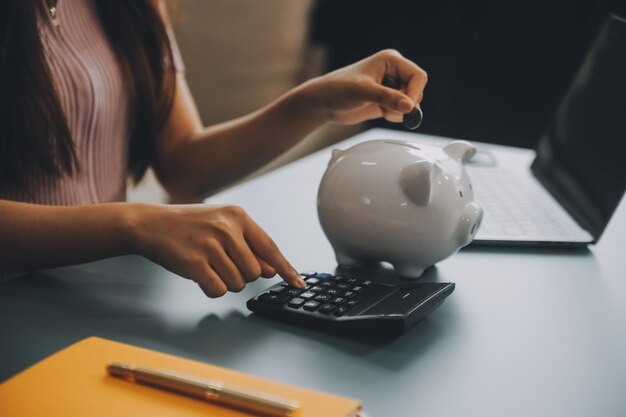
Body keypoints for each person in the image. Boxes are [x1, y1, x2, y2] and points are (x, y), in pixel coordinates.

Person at [0, 0, 427, 297]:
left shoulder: (131, 6)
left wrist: (313, 103)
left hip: (101, 294)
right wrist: (136, 224)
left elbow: (184, 163)